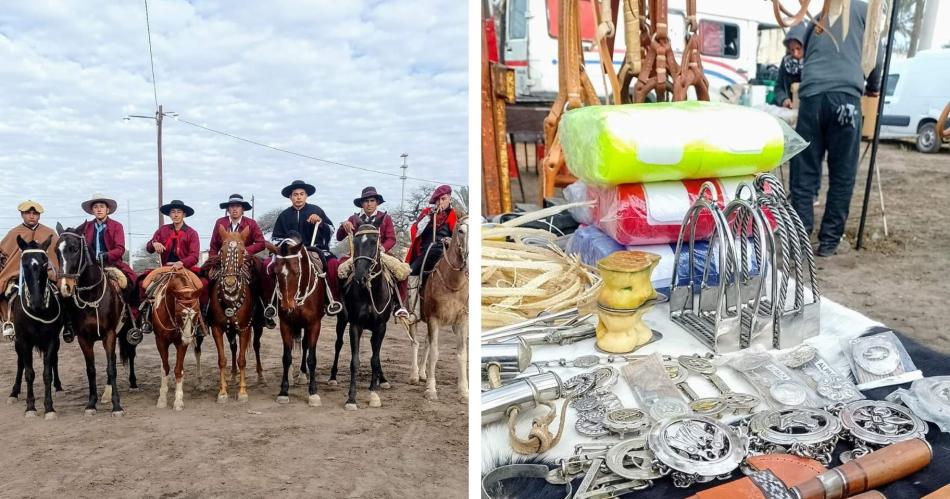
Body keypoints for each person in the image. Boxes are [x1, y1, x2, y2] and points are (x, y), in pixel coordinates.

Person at [789, 1, 883, 257]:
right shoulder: (866, 12)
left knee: (804, 172)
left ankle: (799, 239)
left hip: (812, 99)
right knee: (842, 174)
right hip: (846, 100)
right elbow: (875, 55)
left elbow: (807, 55)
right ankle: (829, 241)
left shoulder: (819, 17)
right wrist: (872, 87)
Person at [265, 180, 339, 316]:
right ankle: (271, 302)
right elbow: (275, 238)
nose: (298, 197)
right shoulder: (284, 215)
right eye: (295, 194)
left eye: (301, 194)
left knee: (333, 264)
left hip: (313, 249)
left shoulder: (316, 210)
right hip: (289, 254)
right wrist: (287, 245)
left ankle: (332, 300)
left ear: (306, 196)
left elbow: (331, 229)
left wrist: (320, 223)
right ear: (290, 197)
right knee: (267, 266)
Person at [337, 186, 409, 318]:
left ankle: (400, 304)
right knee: (339, 269)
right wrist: (344, 225)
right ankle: (338, 301)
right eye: (366, 201)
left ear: (377, 202)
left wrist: (382, 248)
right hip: (357, 254)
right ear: (361, 204)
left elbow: (391, 238)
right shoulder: (354, 218)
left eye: (372, 200)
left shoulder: (385, 218)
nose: (369, 204)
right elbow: (339, 237)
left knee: (402, 270)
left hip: (380, 253)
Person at [75, 193, 138, 341]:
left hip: (111, 264)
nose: (99, 209)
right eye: (96, 207)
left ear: (107, 209)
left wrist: (106, 255)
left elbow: (120, 248)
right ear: (92, 211)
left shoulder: (117, 226)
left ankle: (131, 313)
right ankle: (70, 323)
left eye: (102, 207)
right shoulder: (86, 227)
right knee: (69, 286)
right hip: (89, 267)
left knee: (130, 281)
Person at [206, 193, 273, 328]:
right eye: (231, 206)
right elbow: (214, 245)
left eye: (238, 206)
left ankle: (264, 311)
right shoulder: (220, 223)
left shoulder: (251, 223)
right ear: (228, 209)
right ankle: (206, 313)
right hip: (223, 260)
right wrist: (212, 262)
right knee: (208, 279)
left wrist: (245, 251)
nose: (235, 209)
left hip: (245, 259)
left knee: (260, 279)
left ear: (243, 209)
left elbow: (261, 242)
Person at [141, 200, 205, 336]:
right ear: (169, 214)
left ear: (184, 214)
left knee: (203, 285)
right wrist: (154, 243)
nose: (176, 215)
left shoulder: (192, 233)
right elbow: (148, 247)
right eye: (173, 212)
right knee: (144, 284)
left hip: (184, 268)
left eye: (179, 212)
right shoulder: (162, 230)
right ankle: (146, 318)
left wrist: (182, 263)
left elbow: (194, 256)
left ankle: (200, 319)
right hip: (165, 268)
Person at [0, 200, 60, 340]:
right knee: (3, 288)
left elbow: (58, 253)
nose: (32, 216)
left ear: (39, 216)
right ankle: (8, 321)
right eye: (28, 213)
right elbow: (3, 251)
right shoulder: (14, 233)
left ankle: (69, 323)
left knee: (64, 291)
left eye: (35, 213)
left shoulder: (49, 232)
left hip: (46, 273)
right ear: (22, 214)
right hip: (18, 272)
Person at [405, 185, 458, 308]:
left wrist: (450, 241)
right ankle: (413, 310)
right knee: (411, 272)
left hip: (445, 252)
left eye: (444, 199)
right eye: (438, 200)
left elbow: (457, 235)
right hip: (426, 252)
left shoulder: (453, 214)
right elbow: (415, 230)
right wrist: (429, 217)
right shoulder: (426, 213)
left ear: (450, 198)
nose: (441, 202)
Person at [772, 23, 807, 109]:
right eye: (792, 50)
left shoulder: (812, 62)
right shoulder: (786, 62)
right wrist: (784, 99)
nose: (795, 53)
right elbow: (778, 87)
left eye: (798, 48)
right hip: (788, 109)